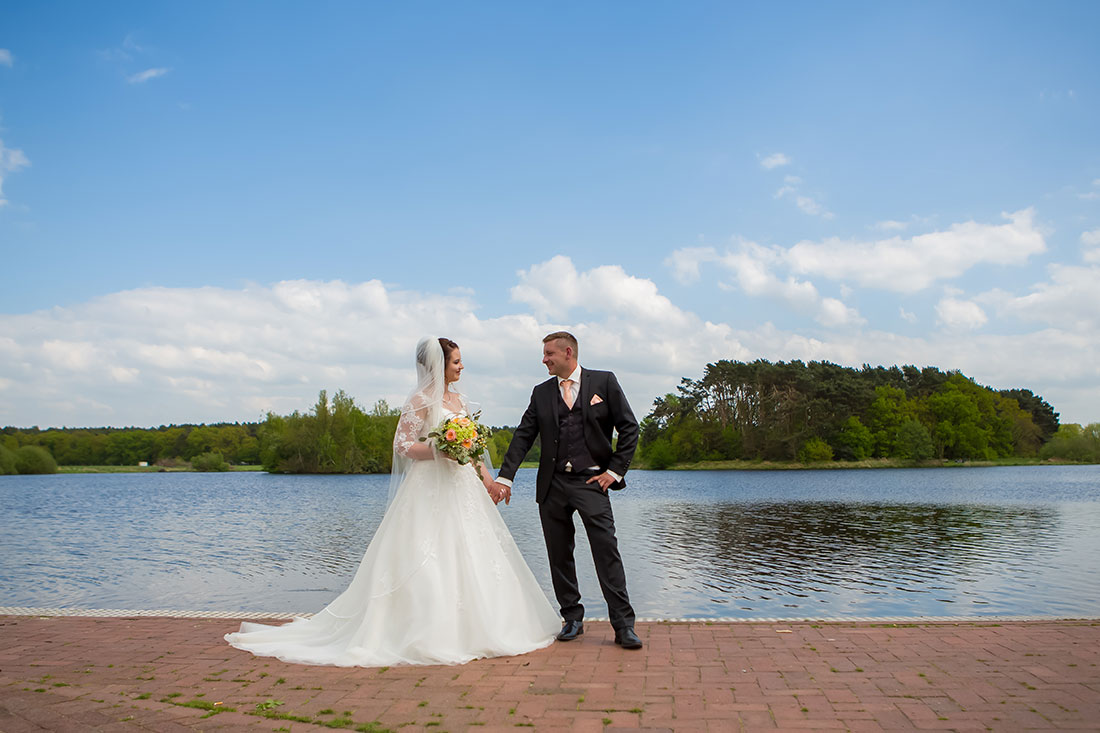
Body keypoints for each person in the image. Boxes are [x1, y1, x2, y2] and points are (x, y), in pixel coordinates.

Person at [225, 337, 560, 666]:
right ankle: (425, 631)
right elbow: (402, 445)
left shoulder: (460, 401)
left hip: (462, 489)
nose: (461, 367)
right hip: (428, 487)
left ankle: (485, 626)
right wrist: (437, 450)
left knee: (475, 553)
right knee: (427, 555)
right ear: (438, 366)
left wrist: (489, 480)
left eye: (460, 361)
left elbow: (471, 451)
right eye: (456, 362)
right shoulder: (419, 400)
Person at [490, 331, 643, 650]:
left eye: (548, 354)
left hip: (592, 482)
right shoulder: (541, 392)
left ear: (568, 352)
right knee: (559, 555)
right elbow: (523, 435)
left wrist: (614, 472)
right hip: (553, 484)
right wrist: (505, 477)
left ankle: (623, 625)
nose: (544, 359)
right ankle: (572, 618)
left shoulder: (604, 382)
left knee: (606, 552)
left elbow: (629, 427)